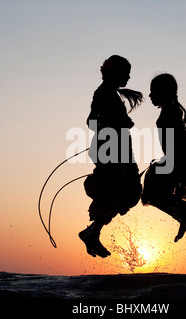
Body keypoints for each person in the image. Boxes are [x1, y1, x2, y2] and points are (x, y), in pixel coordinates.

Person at [79, 55, 143, 258]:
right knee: (117, 190)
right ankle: (92, 233)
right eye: (126, 73)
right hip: (109, 149)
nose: (129, 77)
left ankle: (92, 232)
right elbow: (91, 122)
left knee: (131, 191)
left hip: (120, 149)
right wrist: (113, 127)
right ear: (115, 73)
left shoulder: (111, 94)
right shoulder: (103, 94)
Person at [142, 73, 186, 242]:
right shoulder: (172, 109)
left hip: (180, 160)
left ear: (164, 92)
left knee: (151, 195)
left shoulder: (170, 111)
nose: (150, 96)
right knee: (156, 195)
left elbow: (175, 141)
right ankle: (184, 215)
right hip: (182, 159)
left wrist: (167, 159)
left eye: (153, 92)